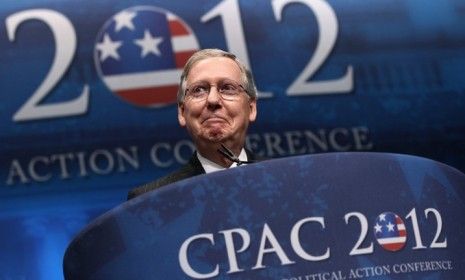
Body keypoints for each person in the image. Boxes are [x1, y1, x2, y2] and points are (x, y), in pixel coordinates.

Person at [127, 48, 258, 199]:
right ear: (182, 112)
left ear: (251, 108)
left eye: (227, 88)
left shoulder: (287, 178)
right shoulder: (150, 200)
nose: (213, 100)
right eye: (199, 90)